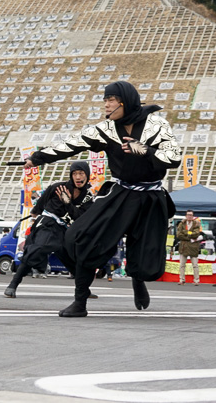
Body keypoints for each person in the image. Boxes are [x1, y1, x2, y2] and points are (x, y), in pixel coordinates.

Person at [24, 80, 182, 316]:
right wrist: (37, 158)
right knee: (83, 237)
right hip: (121, 193)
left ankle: (138, 279)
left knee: (146, 256)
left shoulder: (156, 124)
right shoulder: (106, 128)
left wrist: (145, 150)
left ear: (124, 102)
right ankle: (80, 302)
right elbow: (71, 144)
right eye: (105, 100)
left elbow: (175, 157)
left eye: (111, 100)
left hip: (151, 197)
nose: (106, 105)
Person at [5, 161, 93, 298]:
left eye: (81, 173)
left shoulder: (88, 197)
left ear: (87, 175)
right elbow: (43, 200)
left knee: (73, 259)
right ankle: (13, 284)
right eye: (75, 173)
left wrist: (68, 204)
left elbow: (79, 217)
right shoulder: (59, 187)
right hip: (48, 224)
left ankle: (84, 290)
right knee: (38, 249)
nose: (78, 177)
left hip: (64, 229)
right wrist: (35, 213)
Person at [176, 210, 203, 285]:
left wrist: (186, 233)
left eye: (191, 215)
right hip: (184, 246)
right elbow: (179, 235)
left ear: (193, 216)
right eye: (188, 215)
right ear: (186, 215)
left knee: (195, 265)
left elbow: (196, 234)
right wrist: (189, 237)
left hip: (193, 247)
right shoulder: (182, 223)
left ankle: (196, 280)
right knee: (182, 264)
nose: (189, 216)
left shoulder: (196, 223)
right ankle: (181, 279)